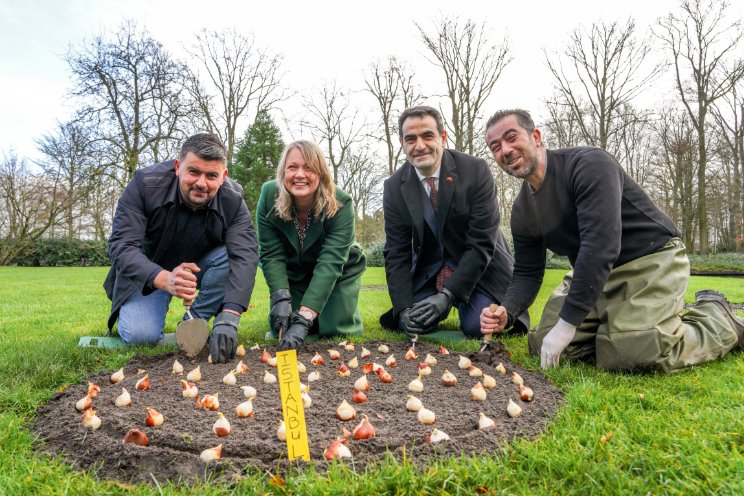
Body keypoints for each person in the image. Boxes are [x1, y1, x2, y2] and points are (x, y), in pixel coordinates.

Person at [480, 109, 744, 372]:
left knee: (631, 352)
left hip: (649, 259)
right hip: (594, 274)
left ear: (536, 136)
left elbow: (601, 245)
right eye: (495, 147)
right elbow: (527, 272)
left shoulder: (589, 165)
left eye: (511, 137)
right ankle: (621, 325)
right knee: (543, 340)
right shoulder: (522, 211)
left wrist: (568, 324)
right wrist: (508, 310)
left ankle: (716, 316)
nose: (505, 150)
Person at [104, 133, 258, 363]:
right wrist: (164, 278)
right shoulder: (145, 184)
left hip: (203, 265)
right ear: (178, 167)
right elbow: (122, 246)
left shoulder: (233, 200)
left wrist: (230, 315)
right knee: (140, 336)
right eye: (193, 172)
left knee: (232, 254)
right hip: (149, 272)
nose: (201, 183)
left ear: (223, 176)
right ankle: (154, 301)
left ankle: (194, 319)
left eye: (211, 175)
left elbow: (245, 254)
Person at [380, 105, 528, 339]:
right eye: (410, 139)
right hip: (430, 271)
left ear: (443, 137)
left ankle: (465, 302)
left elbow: (481, 243)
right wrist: (403, 309)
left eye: (427, 135)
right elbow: (396, 252)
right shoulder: (394, 186)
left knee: (474, 327)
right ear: (402, 143)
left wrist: (447, 296)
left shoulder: (476, 170)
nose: (419, 146)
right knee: (413, 323)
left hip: (481, 270)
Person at [256, 140, 365, 350]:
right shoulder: (269, 194)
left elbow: (331, 261)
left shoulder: (342, 202)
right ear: (283, 172)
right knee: (282, 323)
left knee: (333, 328)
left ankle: (338, 309)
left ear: (321, 173)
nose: (299, 175)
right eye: (292, 167)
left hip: (338, 272)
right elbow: (271, 253)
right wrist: (280, 298)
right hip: (293, 272)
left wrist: (306, 316)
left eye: (308, 168)